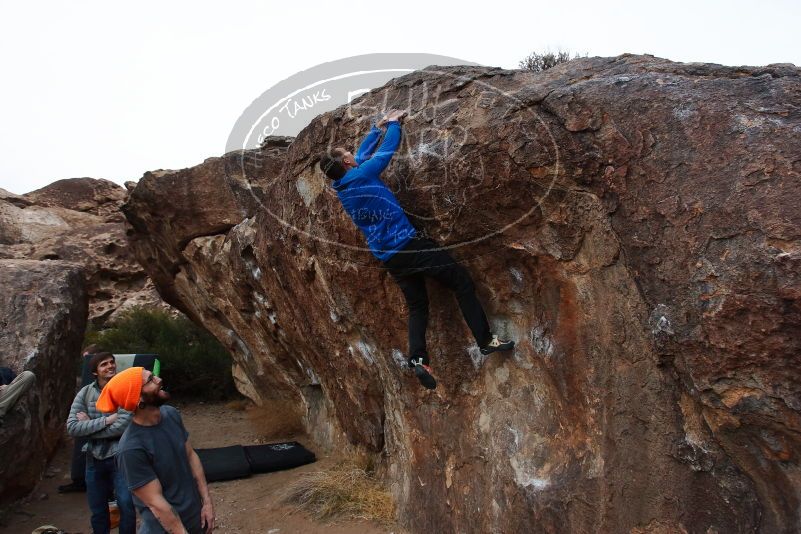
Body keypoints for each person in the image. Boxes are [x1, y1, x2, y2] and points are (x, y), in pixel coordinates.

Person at [318, 109, 514, 389]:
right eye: (346, 152)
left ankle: (418, 359)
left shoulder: (343, 184)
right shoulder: (363, 174)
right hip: (410, 246)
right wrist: (394, 125)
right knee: (461, 281)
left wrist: (376, 127)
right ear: (347, 161)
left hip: (389, 257)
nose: (352, 153)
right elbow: (386, 152)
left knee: (418, 306)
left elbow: (361, 156)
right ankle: (485, 340)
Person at [98, 367, 215, 534]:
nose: (159, 380)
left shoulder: (171, 414)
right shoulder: (131, 449)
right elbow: (156, 504)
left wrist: (207, 503)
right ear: (138, 400)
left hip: (196, 519)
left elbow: (190, 456)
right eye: (150, 380)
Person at [66, 352, 136, 534]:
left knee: (126, 505)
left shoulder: (124, 389)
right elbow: (72, 427)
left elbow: (123, 426)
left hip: (119, 456)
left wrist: (88, 426)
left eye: (112, 363)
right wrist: (106, 421)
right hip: (93, 458)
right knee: (97, 509)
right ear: (95, 372)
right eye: (104, 364)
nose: (110, 366)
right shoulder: (86, 392)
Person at [59, 344, 103, 494]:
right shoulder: (86, 389)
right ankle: (79, 481)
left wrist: (90, 423)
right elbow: (73, 426)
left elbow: (118, 422)